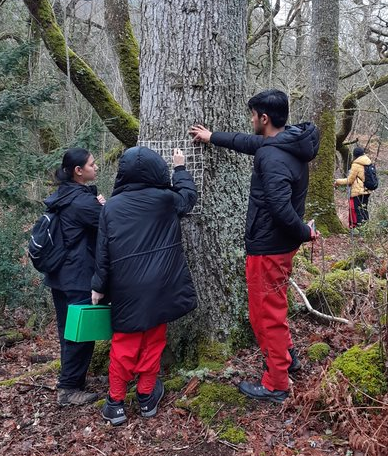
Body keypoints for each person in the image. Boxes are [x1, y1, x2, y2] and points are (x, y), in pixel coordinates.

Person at [190, 89, 320, 405]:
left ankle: (276, 383)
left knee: (264, 316)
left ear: (264, 118)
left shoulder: (272, 155)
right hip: (278, 245)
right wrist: (213, 137)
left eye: (253, 115)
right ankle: (288, 358)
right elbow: (250, 143)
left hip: (269, 247)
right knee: (271, 309)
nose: (251, 121)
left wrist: (304, 231)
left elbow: (279, 205)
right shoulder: (286, 143)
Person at [91, 146, 197, 426]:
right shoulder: (165, 199)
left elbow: (102, 251)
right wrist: (180, 169)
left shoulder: (111, 207)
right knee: (153, 341)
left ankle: (115, 404)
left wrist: (98, 286)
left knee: (124, 344)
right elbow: (188, 198)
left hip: (126, 288)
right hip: (162, 284)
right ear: (156, 171)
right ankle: (147, 396)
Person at [44, 148, 105, 407]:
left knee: (68, 330)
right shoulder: (81, 202)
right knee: (80, 332)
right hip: (77, 276)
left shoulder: (65, 195)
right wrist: (101, 205)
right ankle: (69, 388)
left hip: (60, 274)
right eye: (92, 164)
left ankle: (70, 382)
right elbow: (110, 223)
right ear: (78, 171)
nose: (96, 167)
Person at [334, 145, 372, 228]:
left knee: (358, 211)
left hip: (358, 192)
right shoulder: (368, 162)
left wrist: (337, 181)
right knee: (364, 210)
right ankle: (366, 228)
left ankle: (359, 229)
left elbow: (350, 180)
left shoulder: (356, 164)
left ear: (355, 155)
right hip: (367, 190)